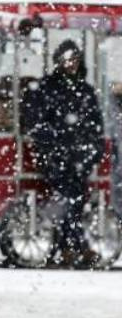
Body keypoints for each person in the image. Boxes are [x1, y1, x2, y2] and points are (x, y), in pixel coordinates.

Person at [23, 39, 106, 269]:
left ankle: (66, 247)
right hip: (57, 157)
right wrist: (56, 145)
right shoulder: (48, 88)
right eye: (67, 59)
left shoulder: (83, 90)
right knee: (69, 200)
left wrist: (91, 151)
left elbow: (94, 124)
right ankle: (76, 246)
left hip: (79, 157)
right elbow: (37, 124)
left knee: (72, 202)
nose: (71, 64)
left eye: (74, 59)